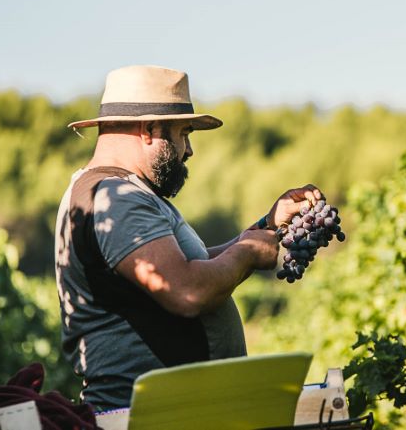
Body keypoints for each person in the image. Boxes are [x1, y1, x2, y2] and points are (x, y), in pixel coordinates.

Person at [54, 65, 322, 411]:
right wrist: (248, 253)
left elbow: (187, 267)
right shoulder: (117, 199)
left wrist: (265, 227)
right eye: (184, 133)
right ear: (149, 130)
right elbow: (185, 290)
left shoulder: (117, 194)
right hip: (150, 416)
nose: (189, 149)